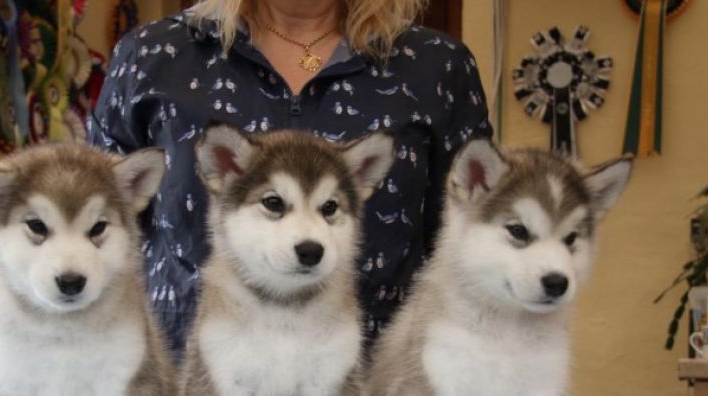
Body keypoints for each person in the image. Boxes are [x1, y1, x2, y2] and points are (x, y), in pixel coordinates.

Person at [88, 0, 492, 353]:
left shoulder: (438, 67)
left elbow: (471, 250)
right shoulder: (152, 56)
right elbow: (95, 234)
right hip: (191, 392)